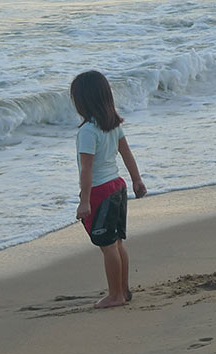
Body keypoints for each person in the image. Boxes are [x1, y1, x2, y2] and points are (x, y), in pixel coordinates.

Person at [70, 70, 147, 309]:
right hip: (117, 187)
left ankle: (116, 295)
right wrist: (137, 180)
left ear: (82, 101)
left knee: (108, 246)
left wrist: (85, 201)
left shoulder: (87, 131)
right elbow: (126, 153)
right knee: (117, 243)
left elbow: (86, 169)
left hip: (100, 191)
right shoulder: (113, 124)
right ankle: (122, 289)